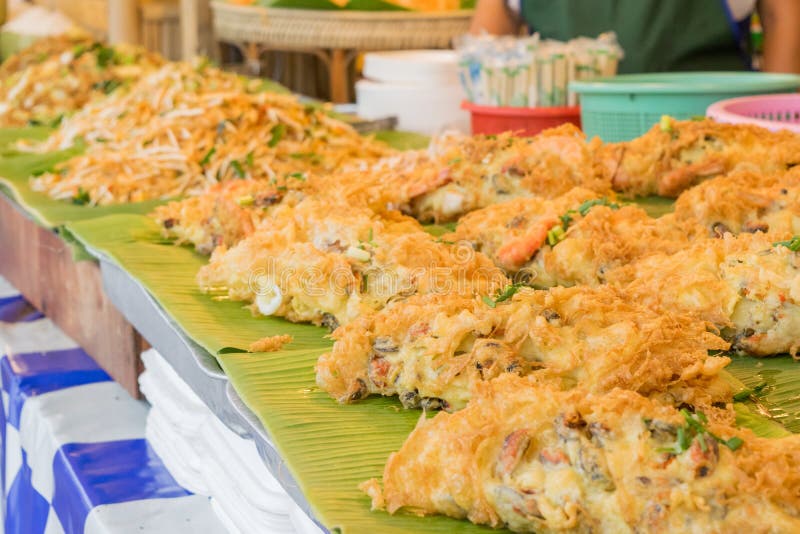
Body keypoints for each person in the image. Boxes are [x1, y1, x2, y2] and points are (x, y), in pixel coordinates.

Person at [470, 0, 800, 74]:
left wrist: (774, 120)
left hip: (716, 140)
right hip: (562, 150)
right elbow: (487, 39)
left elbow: (783, 15)